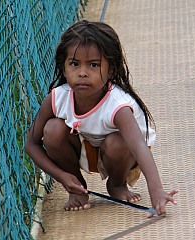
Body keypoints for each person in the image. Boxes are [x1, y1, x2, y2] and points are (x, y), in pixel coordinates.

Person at [25, 20, 178, 218]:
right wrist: (63, 178)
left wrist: (156, 190)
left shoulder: (118, 106)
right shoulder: (57, 98)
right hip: (85, 146)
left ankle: (116, 183)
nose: (82, 72)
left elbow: (139, 147)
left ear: (111, 70)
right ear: (64, 69)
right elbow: (32, 144)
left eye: (93, 65)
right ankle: (78, 189)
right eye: (74, 63)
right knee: (52, 129)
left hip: (123, 155)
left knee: (117, 141)